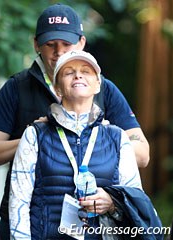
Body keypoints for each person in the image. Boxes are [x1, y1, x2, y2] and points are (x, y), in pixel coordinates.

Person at [0, 3, 150, 239]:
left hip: (95, 223)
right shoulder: (18, 86)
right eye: (50, 44)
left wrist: (99, 137)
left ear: (81, 43)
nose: (59, 52)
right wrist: (36, 142)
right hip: (28, 220)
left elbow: (142, 154)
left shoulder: (103, 87)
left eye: (67, 44)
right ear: (36, 45)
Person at [9, 50, 143, 239]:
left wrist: (113, 204)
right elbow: (18, 202)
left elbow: (136, 200)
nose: (78, 75)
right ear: (57, 89)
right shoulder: (34, 135)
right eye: (69, 72)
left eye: (86, 71)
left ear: (98, 85)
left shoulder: (117, 137)